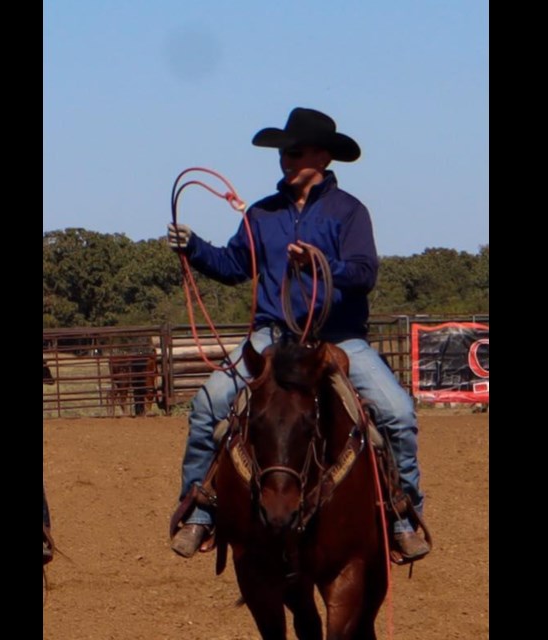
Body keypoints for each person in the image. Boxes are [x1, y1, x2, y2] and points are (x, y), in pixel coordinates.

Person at [167, 107, 430, 562]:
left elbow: (365, 273)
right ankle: (201, 508)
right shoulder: (261, 214)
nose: (286, 160)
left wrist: (322, 265)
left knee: (398, 414)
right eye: (284, 152)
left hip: (338, 339)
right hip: (274, 337)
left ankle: (401, 514)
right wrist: (194, 248)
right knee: (208, 404)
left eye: (295, 152)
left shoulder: (349, 213)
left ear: (323, 157)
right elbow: (233, 266)